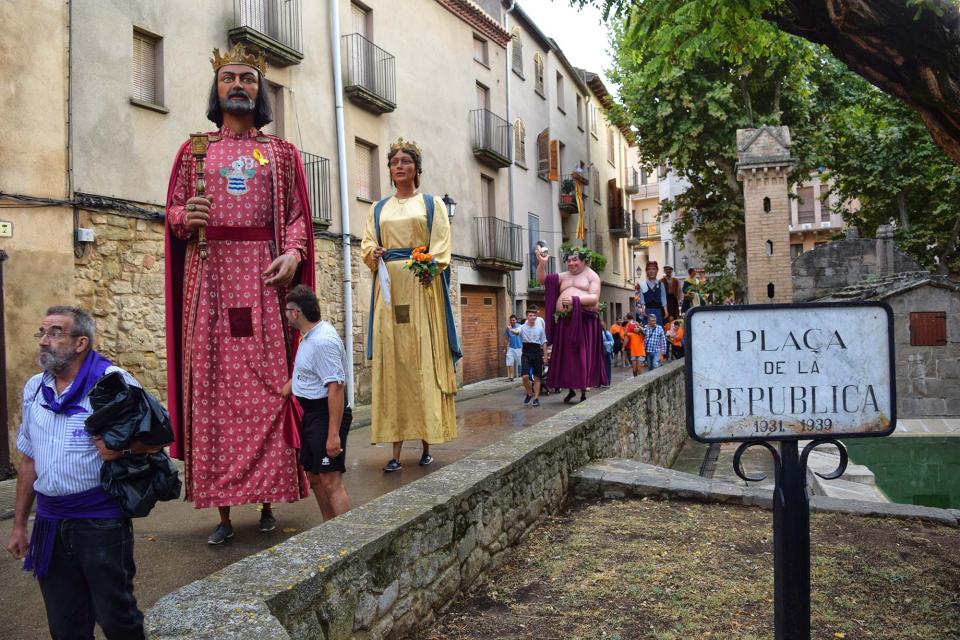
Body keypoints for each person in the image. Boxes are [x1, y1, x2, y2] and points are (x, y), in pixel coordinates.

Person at [164, 44, 314, 544]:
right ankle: (223, 514)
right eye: (229, 77)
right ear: (217, 87)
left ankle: (269, 502)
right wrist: (187, 218)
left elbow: (296, 217)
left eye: (247, 79)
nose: (238, 85)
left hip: (264, 280)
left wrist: (292, 254)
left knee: (273, 387)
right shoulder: (193, 152)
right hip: (210, 280)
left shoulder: (282, 154)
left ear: (260, 89)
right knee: (212, 391)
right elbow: (174, 214)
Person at [6, 307, 163, 639]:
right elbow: (29, 462)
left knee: (117, 618)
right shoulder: (35, 388)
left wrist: (121, 449)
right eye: (42, 332)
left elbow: (157, 439)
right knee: (65, 626)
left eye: (55, 333)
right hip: (50, 522)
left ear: (81, 343)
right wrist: (19, 525)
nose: (44, 341)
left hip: (101, 521)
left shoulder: (113, 383)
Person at [361, 139, 461, 473]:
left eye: (405, 161)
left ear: (416, 169)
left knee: (423, 359)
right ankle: (395, 449)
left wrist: (429, 264)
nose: (399, 166)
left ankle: (428, 443)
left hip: (422, 287)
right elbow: (367, 243)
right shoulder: (378, 208)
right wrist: (373, 252)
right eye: (394, 162)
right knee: (394, 363)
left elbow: (442, 247)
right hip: (388, 290)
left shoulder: (432, 205)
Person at [284, 286, 351, 521]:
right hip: (313, 415)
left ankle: (347, 541)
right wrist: (285, 390)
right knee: (314, 475)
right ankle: (328, 529)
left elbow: (336, 387)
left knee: (331, 479)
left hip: (326, 415)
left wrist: (333, 434)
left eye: (287, 310)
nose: (285, 315)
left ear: (295, 313)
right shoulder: (309, 336)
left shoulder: (323, 341)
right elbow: (308, 372)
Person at [536, 246, 607, 403]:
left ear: (584, 260)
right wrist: (542, 264)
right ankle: (570, 390)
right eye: (568, 260)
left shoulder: (592, 276)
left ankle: (582, 391)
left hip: (584, 322)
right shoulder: (563, 276)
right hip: (565, 322)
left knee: (581, 356)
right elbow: (542, 280)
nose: (572, 263)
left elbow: (594, 298)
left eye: (575, 260)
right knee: (567, 357)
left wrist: (576, 301)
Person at [518, 307, 547, 406]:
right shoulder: (522, 327)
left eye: (534, 315)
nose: (533, 317)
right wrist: (511, 330)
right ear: (527, 317)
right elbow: (517, 331)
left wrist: (546, 356)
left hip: (537, 352)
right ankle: (530, 393)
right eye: (530, 315)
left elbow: (544, 342)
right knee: (525, 376)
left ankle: (536, 398)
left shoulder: (540, 328)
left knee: (537, 377)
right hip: (526, 352)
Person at [637, 261, 667, 326]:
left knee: (659, 330)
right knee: (647, 331)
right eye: (649, 269)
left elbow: (663, 298)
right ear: (646, 271)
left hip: (658, 311)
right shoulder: (643, 284)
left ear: (657, 271)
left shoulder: (661, 284)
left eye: (653, 269)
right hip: (647, 311)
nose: (651, 271)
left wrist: (666, 310)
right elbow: (642, 299)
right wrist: (643, 309)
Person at [623, 313, 646, 377]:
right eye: (634, 327)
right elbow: (625, 333)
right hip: (633, 354)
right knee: (634, 369)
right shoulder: (632, 335)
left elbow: (644, 332)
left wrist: (638, 326)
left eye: (636, 327)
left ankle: (641, 380)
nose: (635, 328)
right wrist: (629, 325)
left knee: (639, 368)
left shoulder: (642, 336)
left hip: (640, 354)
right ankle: (635, 379)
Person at [503, 314, 523, 381]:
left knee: (521, 363)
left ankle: (526, 375)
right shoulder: (508, 328)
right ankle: (511, 377)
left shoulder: (520, 327)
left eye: (514, 320)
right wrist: (505, 348)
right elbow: (506, 338)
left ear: (516, 320)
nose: (512, 321)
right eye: (511, 320)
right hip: (511, 347)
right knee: (509, 362)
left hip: (519, 347)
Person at [600, 319, 614, 387]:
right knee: (599, 367)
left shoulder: (607, 333)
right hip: (599, 353)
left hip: (606, 352)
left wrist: (603, 344)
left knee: (607, 367)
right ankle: (599, 382)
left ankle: (607, 382)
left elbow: (612, 342)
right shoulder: (595, 333)